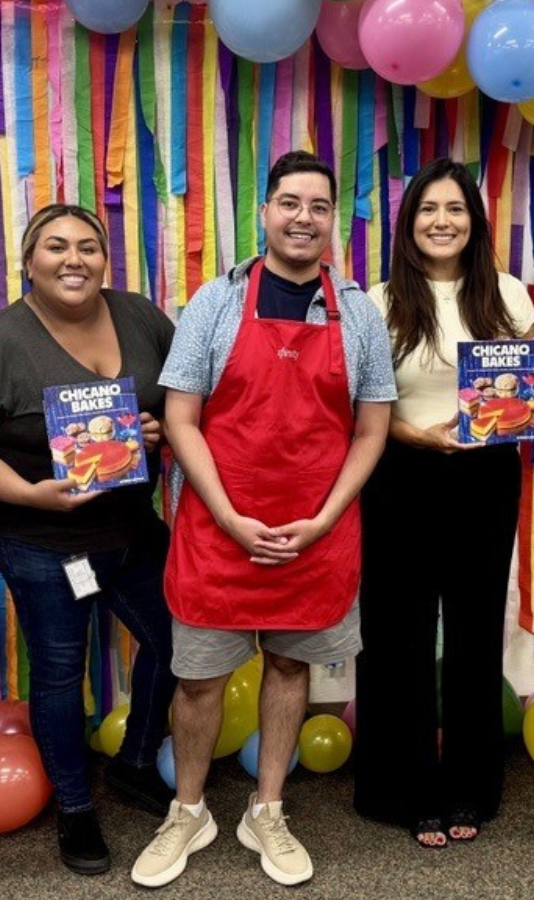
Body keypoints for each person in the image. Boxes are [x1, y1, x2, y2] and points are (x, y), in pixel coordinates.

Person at [130, 151, 396, 888]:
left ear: (332, 218)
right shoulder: (213, 304)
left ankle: (267, 808)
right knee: (198, 683)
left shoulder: (360, 316)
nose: (303, 217)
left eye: (318, 205)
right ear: (265, 211)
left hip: (318, 538)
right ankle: (188, 809)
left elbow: (371, 430)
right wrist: (227, 514)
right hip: (217, 535)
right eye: (289, 202)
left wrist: (322, 519)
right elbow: (181, 420)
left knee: (288, 666)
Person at [0, 204, 177, 876]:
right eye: (55, 247)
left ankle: (135, 762)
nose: (73, 259)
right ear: (29, 261)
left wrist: (156, 427)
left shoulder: (138, 316)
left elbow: (175, 401)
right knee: (58, 669)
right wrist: (28, 491)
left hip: (130, 527)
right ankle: (75, 806)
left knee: (177, 642)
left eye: (88, 246)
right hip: (40, 538)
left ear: (105, 258)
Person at [352, 158, 534, 848]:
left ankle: (472, 785)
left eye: (455, 209)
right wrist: (417, 436)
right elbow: (358, 407)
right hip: (401, 473)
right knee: (397, 635)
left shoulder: (508, 294)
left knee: (475, 631)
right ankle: (401, 789)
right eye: (427, 210)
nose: (441, 221)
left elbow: (517, 401)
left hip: (485, 477)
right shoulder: (376, 301)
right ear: (408, 224)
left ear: (474, 222)